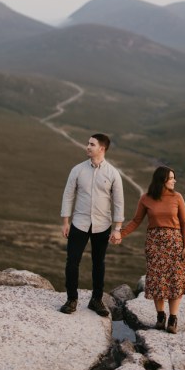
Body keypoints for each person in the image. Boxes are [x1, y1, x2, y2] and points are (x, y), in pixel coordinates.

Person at [117, 166, 185, 334]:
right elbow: (136, 221)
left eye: (174, 177)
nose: (174, 180)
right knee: (157, 281)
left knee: (175, 281)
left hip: (174, 243)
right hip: (154, 244)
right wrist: (121, 234)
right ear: (162, 180)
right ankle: (160, 316)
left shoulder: (177, 197)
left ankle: (173, 319)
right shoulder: (146, 198)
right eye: (171, 178)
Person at [59, 133, 124, 317]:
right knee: (72, 262)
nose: (87, 146)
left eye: (91, 144)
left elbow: (118, 202)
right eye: (88, 143)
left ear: (101, 148)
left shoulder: (113, 174)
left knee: (99, 263)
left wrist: (117, 229)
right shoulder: (77, 170)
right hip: (79, 223)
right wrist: (65, 222)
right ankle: (71, 300)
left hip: (102, 225)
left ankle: (96, 300)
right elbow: (68, 195)